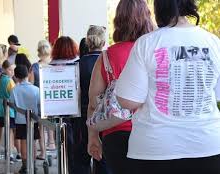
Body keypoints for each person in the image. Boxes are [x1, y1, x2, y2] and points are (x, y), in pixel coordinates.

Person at [115, 0, 220, 174]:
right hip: (208, 146)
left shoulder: (146, 43)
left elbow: (127, 101)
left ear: (159, 7)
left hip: (155, 148)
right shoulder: (214, 43)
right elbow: (216, 94)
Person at [87, 0, 154, 174]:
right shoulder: (154, 50)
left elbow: (94, 102)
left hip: (115, 135)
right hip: (152, 133)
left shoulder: (106, 57)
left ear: (118, 21)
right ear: (147, 18)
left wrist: (93, 137)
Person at [78, 25, 111, 174]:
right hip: (104, 115)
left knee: (81, 159)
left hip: (81, 115)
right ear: (104, 42)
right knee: (103, 159)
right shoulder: (107, 62)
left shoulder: (77, 65)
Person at [50, 36, 80, 174]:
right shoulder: (76, 64)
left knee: (62, 142)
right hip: (76, 108)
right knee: (75, 143)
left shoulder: (50, 66)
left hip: (58, 109)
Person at [10, 65, 40, 174]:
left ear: (16, 77)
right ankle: (34, 166)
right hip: (34, 120)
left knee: (23, 142)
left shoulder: (15, 90)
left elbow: (11, 103)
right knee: (33, 142)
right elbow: (39, 104)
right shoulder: (36, 89)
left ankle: (25, 166)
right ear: (28, 74)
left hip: (20, 120)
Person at [29, 40, 55, 160]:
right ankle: (52, 144)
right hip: (51, 98)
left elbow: (31, 84)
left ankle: (43, 152)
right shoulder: (54, 65)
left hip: (39, 100)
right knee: (51, 124)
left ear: (39, 51)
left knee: (41, 126)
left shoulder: (34, 67)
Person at [0, 60, 16, 162]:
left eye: (13, 70)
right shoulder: (10, 81)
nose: (12, 72)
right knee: (10, 132)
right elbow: (14, 95)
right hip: (9, 110)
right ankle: (10, 152)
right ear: (4, 69)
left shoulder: (0, 78)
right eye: (10, 70)